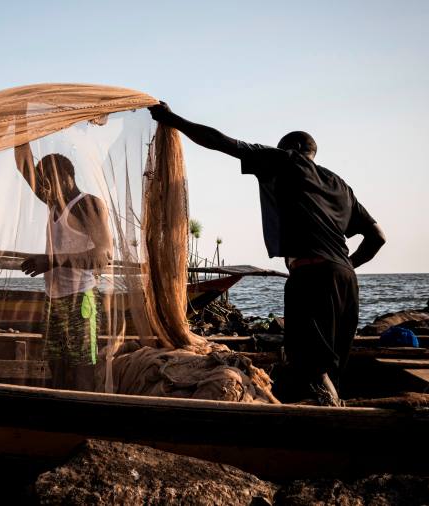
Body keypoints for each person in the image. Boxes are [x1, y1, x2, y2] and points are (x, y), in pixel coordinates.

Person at [149, 102, 386, 405]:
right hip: (346, 280)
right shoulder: (341, 186)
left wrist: (172, 120)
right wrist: (344, 264)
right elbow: (377, 238)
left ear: (293, 148)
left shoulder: (286, 160)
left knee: (312, 368)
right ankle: (327, 411)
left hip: (310, 277)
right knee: (331, 365)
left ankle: (332, 423)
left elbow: (221, 142)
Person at [14, 143, 113, 391]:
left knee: (82, 367)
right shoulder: (54, 203)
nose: (45, 189)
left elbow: (104, 256)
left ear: (67, 177)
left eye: (49, 181)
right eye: (43, 183)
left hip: (81, 299)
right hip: (54, 299)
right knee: (55, 365)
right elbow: (23, 166)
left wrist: (52, 261)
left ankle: (84, 411)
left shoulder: (87, 204)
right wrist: (20, 125)